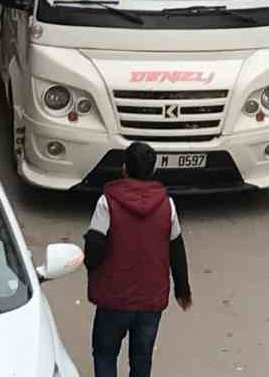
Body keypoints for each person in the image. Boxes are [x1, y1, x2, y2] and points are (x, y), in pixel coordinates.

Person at [84, 141, 192, 377]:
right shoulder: (168, 205)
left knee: (104, 354)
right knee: (142, 358)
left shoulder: (106, 203)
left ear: (124, 168)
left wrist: (93, 267)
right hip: (150, 301)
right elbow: (177, 250)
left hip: (113, 298)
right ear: (153, 171)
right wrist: (182, 290)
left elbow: (93, 252)